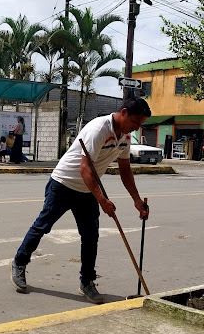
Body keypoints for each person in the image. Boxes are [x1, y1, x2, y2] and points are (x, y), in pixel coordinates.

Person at [10, 98, 151, 304]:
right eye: (135, 122)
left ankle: (87, 282)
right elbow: (84, 168)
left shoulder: (125, 137)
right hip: (63, 184)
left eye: (141, 124)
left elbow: (125, 169)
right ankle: (19, 263)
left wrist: (137, 200)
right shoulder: (99, 129)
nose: (136, 128)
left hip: (87, 189)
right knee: (42, 226)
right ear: (124, 113)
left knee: (91, 236)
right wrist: (102, 200)